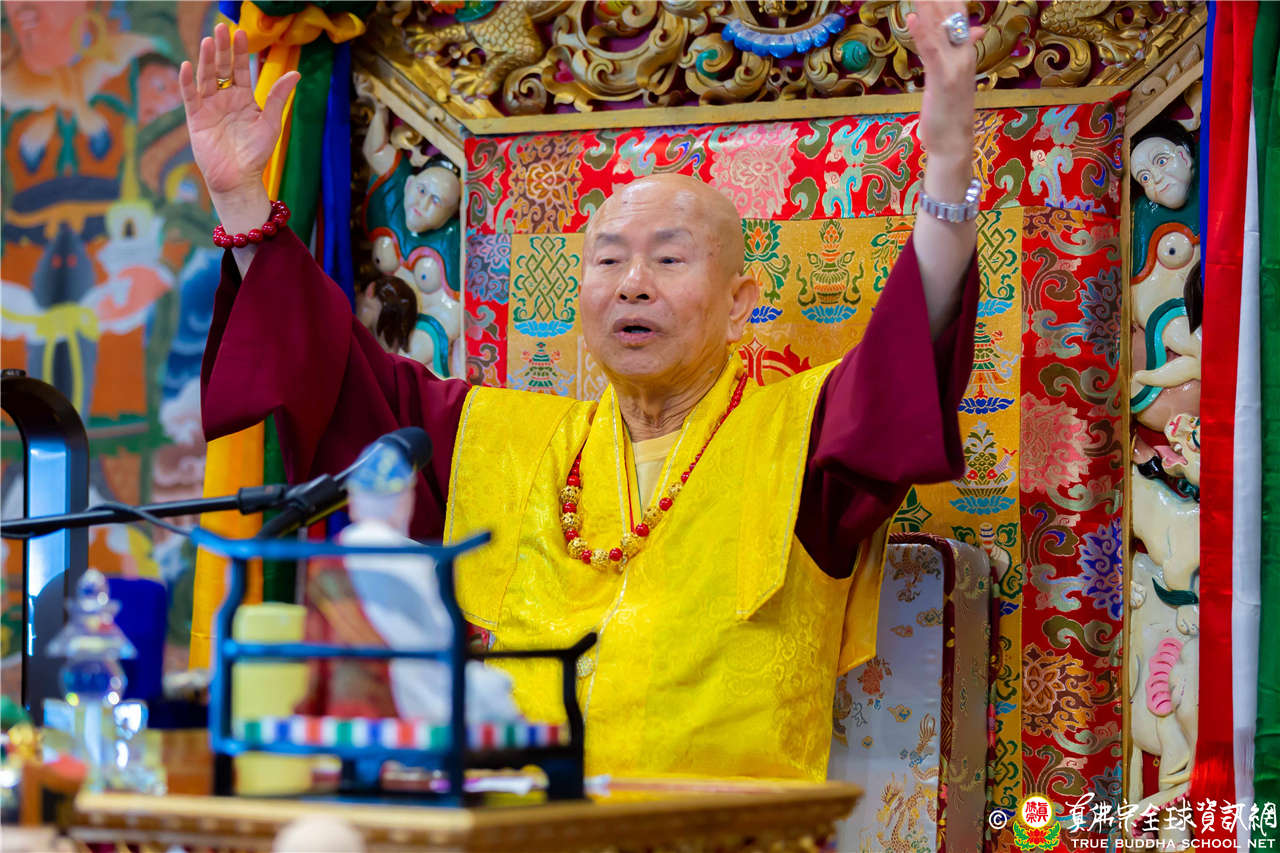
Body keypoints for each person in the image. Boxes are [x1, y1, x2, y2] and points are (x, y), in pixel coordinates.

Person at [183, 3, 984, 780]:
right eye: (607, 260)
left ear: (740, 302)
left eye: (669, 258)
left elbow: (907, 357)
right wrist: (242, 199)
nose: (632, 283)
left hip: (722, 837)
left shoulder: (800, 437)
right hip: (525, 824)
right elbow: (335, 371)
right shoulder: (497, 439)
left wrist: (948, 156)